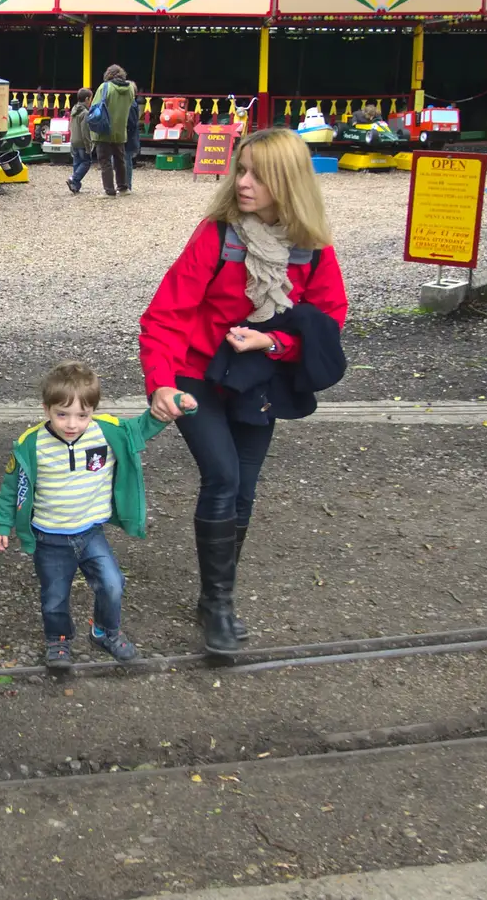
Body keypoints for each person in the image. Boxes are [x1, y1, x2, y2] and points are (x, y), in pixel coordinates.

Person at [138, 128, 349, 656]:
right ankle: (219, 605)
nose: (243, 181)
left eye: (257, 172)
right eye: (241, 169)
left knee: (245, 490)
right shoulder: (217, 234)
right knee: (223, 477)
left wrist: (273, 341)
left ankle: (216, 599)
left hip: (258, 379)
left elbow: (328, 322)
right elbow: (165, 315)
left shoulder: (313, 248)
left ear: (288, 180)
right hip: (195, 373)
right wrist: (160, 381)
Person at [0, 362, 189, 672]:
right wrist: (2, 523)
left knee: (112, 583)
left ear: (93, 411)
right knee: (54, 595)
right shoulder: (31, 443)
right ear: (46, 409)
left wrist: (174, 406)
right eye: (62, 414)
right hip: (49, 537)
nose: (72, 423)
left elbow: (141, 428)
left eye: (82, 415)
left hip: (90, 533)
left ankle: (105, 632)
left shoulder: (106, 430)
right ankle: (58, 640)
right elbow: (12, 486)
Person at [89, 65, 135, 197]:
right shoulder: (130, 89)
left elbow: (95, 106)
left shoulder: (105, 87)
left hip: (104, 130)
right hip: (121, 131)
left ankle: (109, 190)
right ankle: (123, 188)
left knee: (105, 161)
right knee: (120, 160)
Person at [67, 87, 95, 194]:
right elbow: (85, 131)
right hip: (82, 142)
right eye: (90, 99)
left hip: (74, 140)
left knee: (77, 163)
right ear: (87, 99)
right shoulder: (85, 113)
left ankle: (75, 186)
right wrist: (89, 146)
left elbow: (70, 127)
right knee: (86, 162)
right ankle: (73, 179)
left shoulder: (74, 110)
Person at [124, 93, 144, 192]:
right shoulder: (132, 104)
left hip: (128, 137)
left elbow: (130, 123)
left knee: (126, 160)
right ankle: (125, 184)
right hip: (128, 136)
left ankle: (127, 185)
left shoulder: (131, 105)